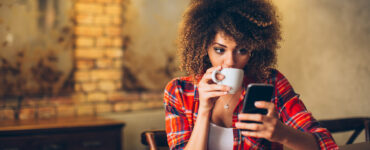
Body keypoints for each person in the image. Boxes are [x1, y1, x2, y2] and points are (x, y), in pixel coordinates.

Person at [164, 0, 338, 149]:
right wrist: (203, 109)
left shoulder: (271, 83)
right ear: (203, 48)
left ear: (254, 49)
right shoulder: (179, 91)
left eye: (242, 50)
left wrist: (283, 134)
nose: (230, 61)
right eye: (219, 50)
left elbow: (326, 143)